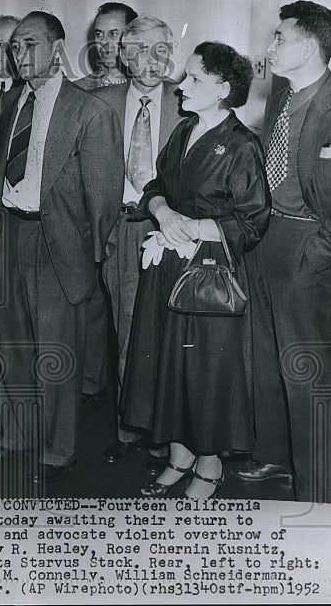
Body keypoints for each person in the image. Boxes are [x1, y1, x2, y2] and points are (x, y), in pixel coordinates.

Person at [238, 1, 331, 505]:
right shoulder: (281, 97)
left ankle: (321, 489)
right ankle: (274, 452)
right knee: (263, 358)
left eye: (279, 38)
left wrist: (313, 258)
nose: (269, 48)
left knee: (304, 371)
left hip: (306, 249)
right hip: (264, 237)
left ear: (310, 45)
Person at [120, 41, 269, 499]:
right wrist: (164, 215)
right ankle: (179, 455)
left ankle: (209, 465)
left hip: (209, 275)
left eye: (195, 79)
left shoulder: (242, 146)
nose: (182, 85)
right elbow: (156, 184)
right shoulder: (184, 130)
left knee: (205, 371)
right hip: (167, 265)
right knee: (169, 364)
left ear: (223, 89)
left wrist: (195, 226)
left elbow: (253, 220)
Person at [0, 11, 123, 485]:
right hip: (10, 232)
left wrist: (88, 259)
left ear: (57, 49)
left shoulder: (90, 111)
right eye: (14, 47)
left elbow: (104, 198)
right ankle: (17, 438)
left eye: (30, 44)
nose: (19, 55)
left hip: (57, 242)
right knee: (14, 343)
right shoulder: (11, 103)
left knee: (56, 351)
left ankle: (57, 449)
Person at [96, 16, 183, 473]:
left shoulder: (189, 104)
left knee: (172, 336)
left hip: (172, 234)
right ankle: (129, 428)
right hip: (121, 230)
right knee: (127, 332)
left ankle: (166, 436)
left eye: (160, 49)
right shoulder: (100, 104)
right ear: (123, 55)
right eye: (138, 50)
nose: (149, 60)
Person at [75, 2, 139, 91]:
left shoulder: (151, 87)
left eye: (113, 34)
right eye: (99, 34)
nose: (104, 41)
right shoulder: (76, 91)